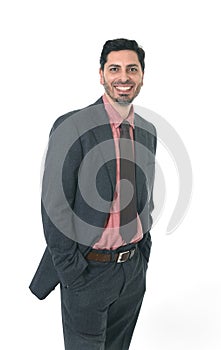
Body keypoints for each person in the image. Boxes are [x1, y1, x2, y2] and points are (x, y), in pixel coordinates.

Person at [30, 38, 157, 350]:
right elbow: (54, 206)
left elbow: (144, 197)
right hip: (88, 271)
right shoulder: (72, 125)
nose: (123, 76)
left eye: (132, 69)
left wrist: (142, 254)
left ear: (142, 76)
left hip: (132, 271)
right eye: (114, 68)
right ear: (101, 75)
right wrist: (73, 272)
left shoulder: (147, 131)